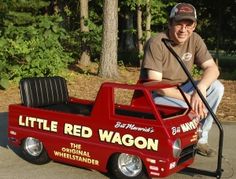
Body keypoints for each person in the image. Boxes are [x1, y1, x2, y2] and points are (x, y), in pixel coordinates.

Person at [140, 3, 224, 157]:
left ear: (194, 25)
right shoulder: (156, 43)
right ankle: (182, 141)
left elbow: (213, 68)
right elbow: (156, 86)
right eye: (179, 24)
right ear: (170, 23)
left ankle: (200, 138)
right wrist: (191, 98)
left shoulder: (195, 39)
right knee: (189, 107)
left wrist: (201, 89)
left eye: (189, 24)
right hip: (158, 95)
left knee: (217, 87)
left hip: (184, 88)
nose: (184, 30)